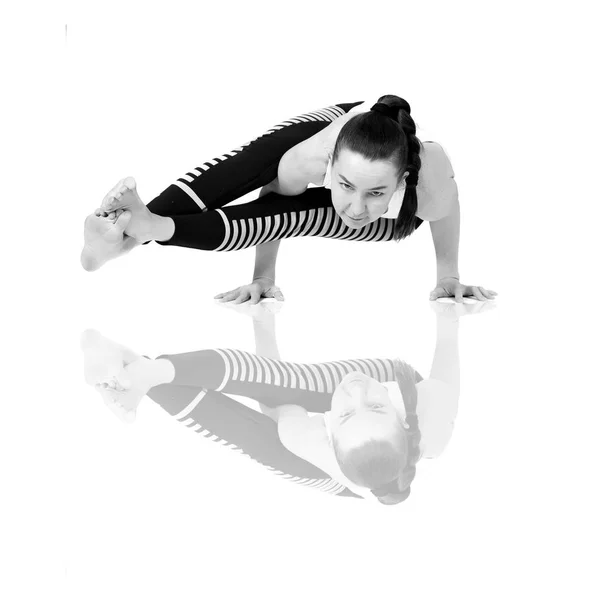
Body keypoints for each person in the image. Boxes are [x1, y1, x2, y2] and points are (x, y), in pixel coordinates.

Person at [81, 95, 497, 303]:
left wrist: (448, 276)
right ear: (329, 165)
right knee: (248, 162)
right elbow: (273, 200)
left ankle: (148, 227)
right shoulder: (308, 158)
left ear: (401, 181)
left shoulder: (429, 176)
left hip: (396, 216)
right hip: (342, 123)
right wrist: (264, 276)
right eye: (345, 185)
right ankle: (121, 230)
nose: (355, 208)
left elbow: (449, 210)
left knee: (301, 216)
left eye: (375, 193)